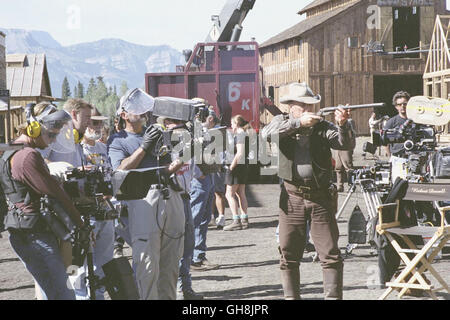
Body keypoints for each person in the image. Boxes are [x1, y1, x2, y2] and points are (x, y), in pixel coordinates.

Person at [261, 82, 353, 300]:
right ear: (291, 107)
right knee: (288, 254)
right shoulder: (281, 122)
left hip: (320, 197)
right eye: (302, 105)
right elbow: (267, 134)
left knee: (330, 254)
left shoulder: (323, 126)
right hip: (291, 197)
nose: (307, 109)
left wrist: (342, 124)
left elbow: (344, 144)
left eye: (309, 105)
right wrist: (297, 124)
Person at [0, 102, 85, 300]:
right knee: (62, 294)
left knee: (51, 292)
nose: (53, 140)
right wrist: (79, 223)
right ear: (34, 127)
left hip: (23, 231)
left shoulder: (11, 151)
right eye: (52, 134)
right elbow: (56, 194)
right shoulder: (28, 155)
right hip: (34, 234)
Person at [107, 88, 185, 300]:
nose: (142, 114)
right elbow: (121, 169)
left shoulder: (156, 132)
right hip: (142, 199)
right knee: (147, 263)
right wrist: (143, 147)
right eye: (135, 110)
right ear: (124, 115)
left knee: (171, 261)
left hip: (169, 193)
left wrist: (180, 160)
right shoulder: (118, 140)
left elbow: (166, 166)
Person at [189, 103, 220, 271]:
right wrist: (197, 172)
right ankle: (192, 257)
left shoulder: (203, 132)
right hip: (201, 179)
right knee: (195, 218)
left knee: (203, 218)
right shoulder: (195, 132)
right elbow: (188, 155)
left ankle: (198, 255)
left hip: (207, 177)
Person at [223, 115, 251, 231]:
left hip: (237, 167)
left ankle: (236, 220)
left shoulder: (240, 135)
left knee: (229, 194)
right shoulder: (245, 134)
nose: (231, 125)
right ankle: (244, 219)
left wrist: (231, 167)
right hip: (244, 166)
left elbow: (239, 153)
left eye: (232, 123)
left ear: (237, 123)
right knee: (241, 193)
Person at [332, 117, 356, 192]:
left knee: (348, 168)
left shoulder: (349, 123)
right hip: (337, 148)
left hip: (346, 148)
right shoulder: (335, 125)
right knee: (338, 168)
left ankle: (352, 185)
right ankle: (340, 186)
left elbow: (350, 137)